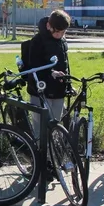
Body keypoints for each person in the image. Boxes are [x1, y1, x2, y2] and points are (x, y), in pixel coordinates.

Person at [25, 9, 71, 139]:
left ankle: (53, 155)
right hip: (40, 90)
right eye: (57, 32)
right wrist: (51, 72)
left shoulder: (62, 41)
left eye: (63, 32)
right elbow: (34, 65)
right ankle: (40, 156)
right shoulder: (37, 41)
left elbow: (66, 63)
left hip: (58, 89)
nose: (60, 35)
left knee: (56, 125)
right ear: (48, 26)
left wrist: (68, 84)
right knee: (40, 127)